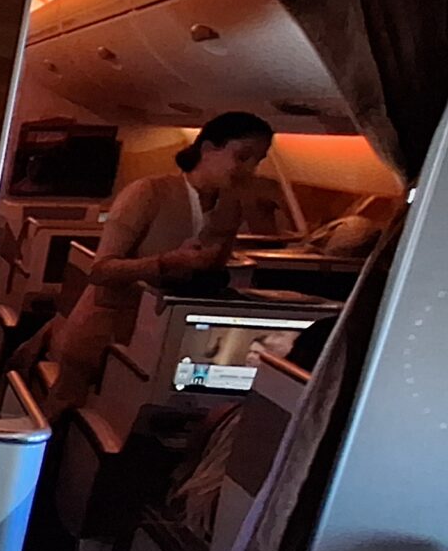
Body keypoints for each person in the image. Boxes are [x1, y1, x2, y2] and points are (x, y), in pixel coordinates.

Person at [19, 111, 275, 417]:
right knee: (68, 421)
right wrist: (166, 262)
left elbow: (211, 272)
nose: (249, 169)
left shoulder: (230, 208)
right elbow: (101, 270)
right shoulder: (148, 192)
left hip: (164, 339)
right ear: (208, 149)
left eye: (257, 161)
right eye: (243, 156)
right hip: (108, 333)